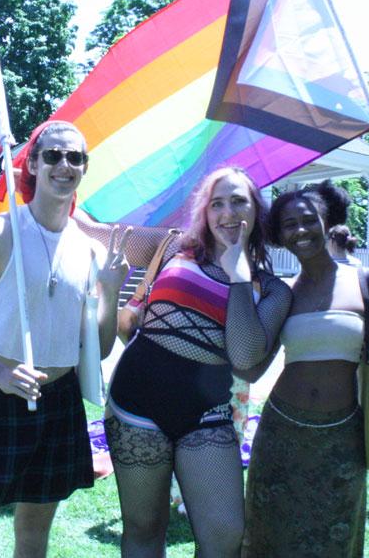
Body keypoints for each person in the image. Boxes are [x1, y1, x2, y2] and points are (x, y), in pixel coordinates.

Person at [0, 120, 130, 558]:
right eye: (53, 156)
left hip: (58, 402)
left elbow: (98, 349)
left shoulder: (90, 249)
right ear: (32, 164)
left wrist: (111, 290)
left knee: (33, 537)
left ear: (84, 167)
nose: (64, 165)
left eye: (75, 157)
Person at [242, 181, 369, 557]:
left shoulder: (365, 282)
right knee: (271, 536)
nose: (301, 230)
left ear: (326, 221)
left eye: (308, 219)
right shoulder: (283, 293)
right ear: (279, 236)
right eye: (289, 224)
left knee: (335, 538)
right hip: (280, 434)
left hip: (342, 437)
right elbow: (252, 370)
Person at [103, 167, 292, 557]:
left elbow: (244, 356)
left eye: (238, 201)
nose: (227, 213)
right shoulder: (175, 246)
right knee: (143, 527)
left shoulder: (273, 289)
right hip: (136, 402)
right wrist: (59, 202)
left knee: (224, 535)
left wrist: (239, 276)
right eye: (216, 204)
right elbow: (106, 236)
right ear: (205, 212)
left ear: (256, 210)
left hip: (207, 412)